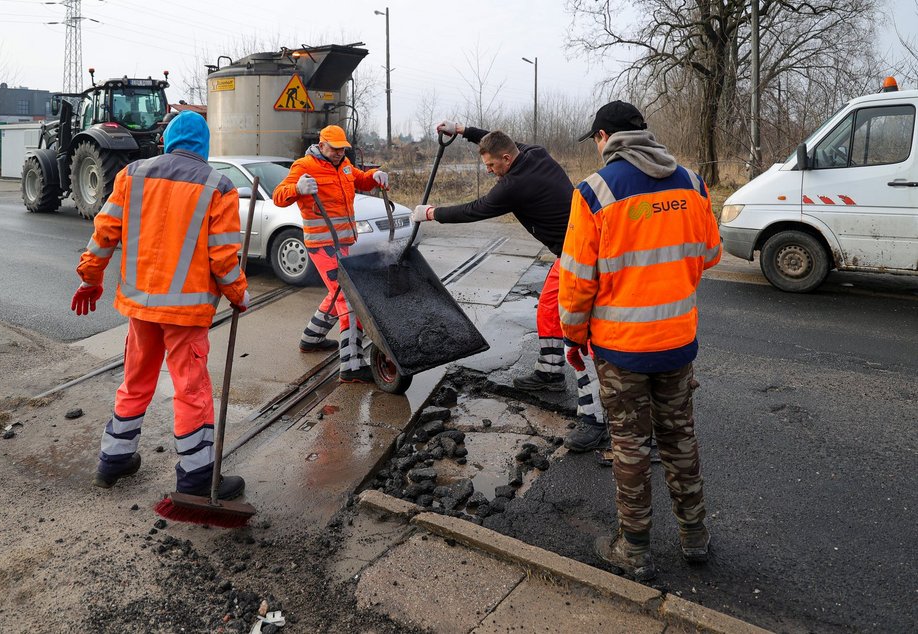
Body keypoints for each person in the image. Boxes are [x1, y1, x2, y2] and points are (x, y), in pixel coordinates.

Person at [558, 101, 721, 581]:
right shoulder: (692, 183)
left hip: (621, 349)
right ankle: (695, 539)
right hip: (677, 342)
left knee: (629, 443)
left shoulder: (593, 193)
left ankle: (635, 550)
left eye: (595, 139)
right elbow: (709, 254)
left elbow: (576, 282)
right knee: (679, 437)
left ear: (604, 136)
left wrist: (573, 336)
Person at [71, 111, 250, 500]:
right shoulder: (217, 186)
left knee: (136, 381)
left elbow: (104, 232)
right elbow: (223, 257)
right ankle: (197, 477)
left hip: (140, 308)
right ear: (204, 146)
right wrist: (238, 293)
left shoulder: (131, 175)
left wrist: (90, 278)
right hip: (185, 314)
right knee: (191, 390)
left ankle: (114, 460)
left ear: (167, 141)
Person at [411, 121, 608, 451]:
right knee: (547, 307)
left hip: (582, 256)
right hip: (571, 249)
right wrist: (463, 130)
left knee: (580, 337)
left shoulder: (514, 184)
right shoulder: (533, 152)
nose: (489, 171)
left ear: (505, 159)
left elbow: (477, 209)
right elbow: (497, 138)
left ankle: (595, 418)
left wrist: (431, 213)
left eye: (491, 165)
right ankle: (549, 371)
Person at [272, 124, 389, 383]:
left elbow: (361, 179)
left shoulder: (344, 165)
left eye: (342, 149)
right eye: (334, 149)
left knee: (336, 292)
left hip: (342, 242)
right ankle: (351, 366)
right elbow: (278, 196)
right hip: (322, 245)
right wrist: (297, 189)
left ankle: (311, 339)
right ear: (321, 144)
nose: (338, 153)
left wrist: (376, 176)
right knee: (349, 300)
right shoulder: (304, 166)